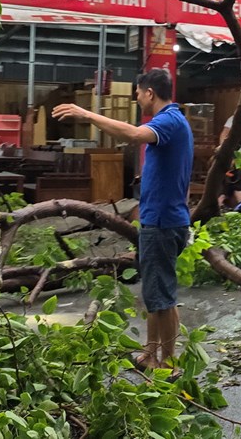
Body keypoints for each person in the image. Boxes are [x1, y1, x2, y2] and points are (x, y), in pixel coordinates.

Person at [52, 68, 193, 371]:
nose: (137, 98)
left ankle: (168, 364)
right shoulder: (170, 121)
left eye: (138, 93)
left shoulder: (169, 120)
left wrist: (87, 114)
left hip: (164, 223)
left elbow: (132, 135)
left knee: (163, 296)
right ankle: (150, 353)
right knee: (155, 292)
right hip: (159, 220)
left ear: (149, 93)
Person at [217, 114, 241, 209]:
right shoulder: (234, 119)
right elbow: (224, 134)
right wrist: (225, 151)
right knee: (233, 182)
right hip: (235, 154)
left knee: (240, 181)